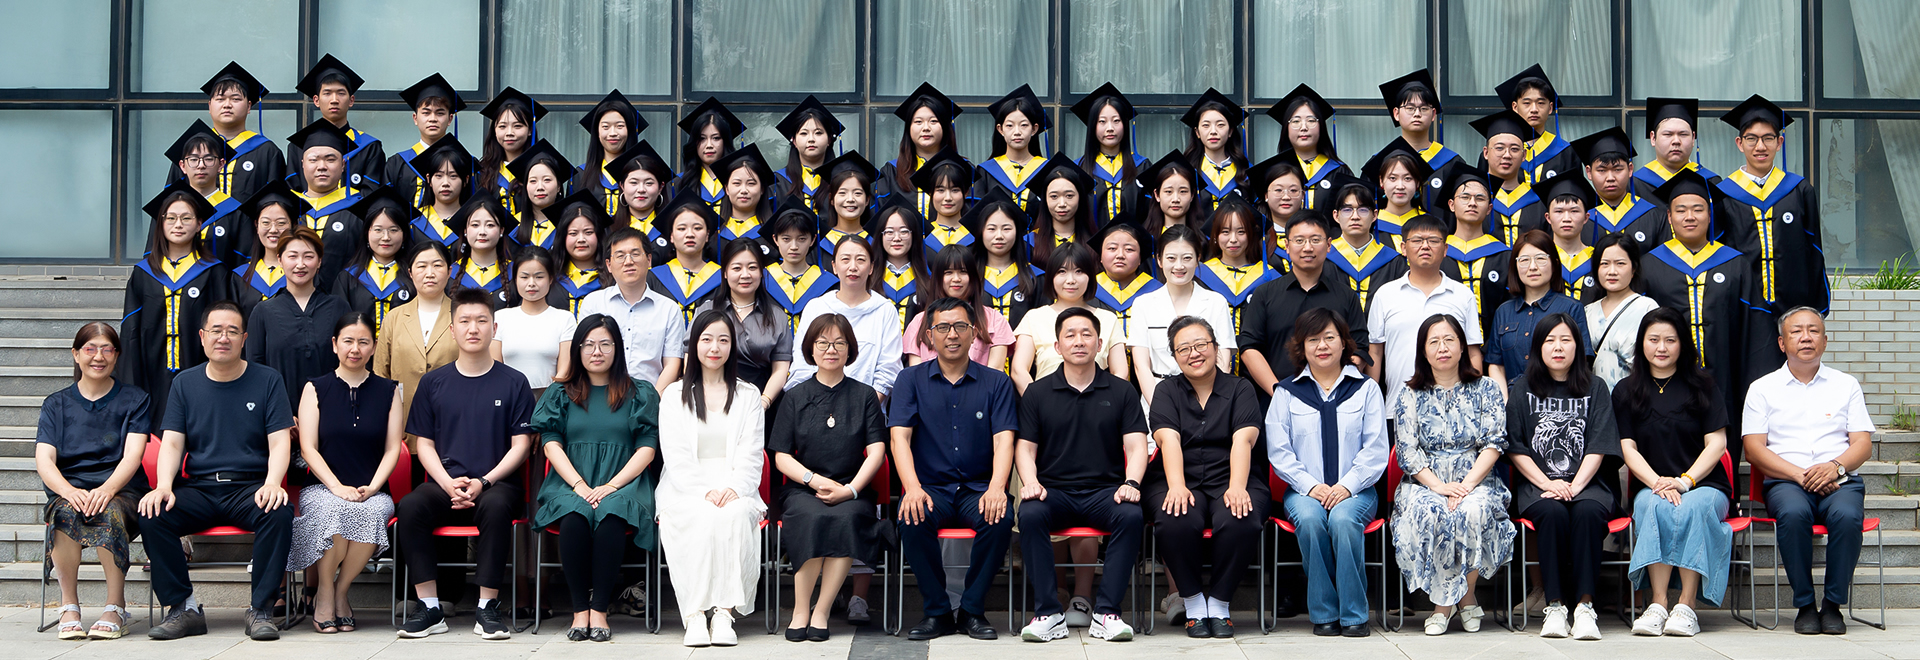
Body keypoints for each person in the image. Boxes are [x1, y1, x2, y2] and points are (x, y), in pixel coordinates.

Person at [138, 301, 295, 641]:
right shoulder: (185, 383)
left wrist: (272, 482)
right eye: (216, 331)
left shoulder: (267, 380)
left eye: (232, 331)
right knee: (153, 514)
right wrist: (163, 485)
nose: (224, 338)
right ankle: (184, 608)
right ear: (202, 336)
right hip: (200, 488)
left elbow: (280, 442)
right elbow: (172, 443)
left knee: (279, 511)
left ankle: (261, 609)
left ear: (244, 338)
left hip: (249, 488)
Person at [394, 289, 536, 641]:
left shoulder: (514, 382)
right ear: (452, 329)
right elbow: (424, 444)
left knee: (497, 506)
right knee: (411, 506)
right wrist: (446, 483)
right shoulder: (433, 383)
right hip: (446, 483)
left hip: (496, 485)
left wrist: (483, 482)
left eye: (482, 321)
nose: (473, 328)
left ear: (494, 328)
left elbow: (521, 445)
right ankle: (429, 606)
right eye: (465, 321)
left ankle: (487, 607)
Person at [1014, 307, 1148, 643]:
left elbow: (1136, 447)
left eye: (1087, 335)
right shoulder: (1037, 393)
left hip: (1105, 492)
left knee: (1131, 514)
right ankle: (1048, 613)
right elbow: (1025, 449)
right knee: (1030, 513)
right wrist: (1031, 483)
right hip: (1054, 492)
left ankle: (1107, 613)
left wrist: (1131, 483)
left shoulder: (1121, 391)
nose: (1079, 341)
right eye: (1070, 335)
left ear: (1100, 344)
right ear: (1057, 346)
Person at [890, 298, 1019, 642]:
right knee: (911, 518)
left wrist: (997, 487)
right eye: (943, 327)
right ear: (928, 336)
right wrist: (912, 488)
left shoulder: (996, 382)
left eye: (960, 326)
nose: (952, 335)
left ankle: (972, 610)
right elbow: (899, 438)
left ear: (974, 333)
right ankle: (937, 612)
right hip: (931, 488)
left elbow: (1004, 440)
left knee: (1000, 518)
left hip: (978, 488)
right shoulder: (909, 379)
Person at [1743, 307, 1874, 635]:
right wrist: (1801, 475)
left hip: (1839, 480)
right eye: (1796, 331)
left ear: (1825, 341)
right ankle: (1804, 605)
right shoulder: (1762, 388)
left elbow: (1862, 443)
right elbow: (1754, 449)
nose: (1806, 338)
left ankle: (1832, 606)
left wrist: (1834, 467)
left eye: (1814, 331)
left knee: (1847, 516)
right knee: (1794, 514)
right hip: (1786, 481)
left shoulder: (1846, 385)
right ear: (1782, 343)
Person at [530, 314, 661, 643]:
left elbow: (647, 448)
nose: (596, 351)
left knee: (612, 515)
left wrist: (611, 486)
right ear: (577, 349)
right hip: (571, 480)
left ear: (618, 348)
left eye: (605, 344)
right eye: (588, 345)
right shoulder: (561, 392)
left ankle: (599, 609)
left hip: (626, 481)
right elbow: (551, 443)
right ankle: (579, 610)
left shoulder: (639, 392)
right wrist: (579, 485)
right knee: (574, 517)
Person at [1267, 309, 1389, 638]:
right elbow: (1279, 451)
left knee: (1343, 520)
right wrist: (1312, 487)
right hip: (1304, 492)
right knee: (1309, 519)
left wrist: (1346, 486)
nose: (1322, 346)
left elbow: (1376, 449)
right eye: (1313, 339)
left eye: (1329, 337)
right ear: (1301, 347)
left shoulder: (1366, 389)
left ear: (1344, 343)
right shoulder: (1286, 393)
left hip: (1357, 491)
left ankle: (1354, 614)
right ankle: (1324, 612)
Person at [1391, 313, 1514, 636]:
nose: (1442, 348)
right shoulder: (1409, 394)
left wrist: (1465, 485)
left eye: (1449, 340)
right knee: (1432, 513)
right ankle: (1462, 601)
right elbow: (1407, 452)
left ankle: (1446, 606)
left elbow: (1495, 442)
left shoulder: (1486, 388)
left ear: (1462, 347)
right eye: (1434, 342)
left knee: (1472, 510)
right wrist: (1439, 487)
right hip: (1425, 482)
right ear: (1423, 351)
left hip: (1476, 478)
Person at [770, 314, 890, 642]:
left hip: (852, 488)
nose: (831, 349)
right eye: (822, 343)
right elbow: (781, 457)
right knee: (810, 517)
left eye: (839, 343)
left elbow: (877, 452)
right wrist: (813, 480)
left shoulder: (865, 396)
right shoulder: (794, 396)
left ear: (850, 350)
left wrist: (850, 490)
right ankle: (800, 610)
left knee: (847, 517)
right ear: (810, 349)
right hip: (803, 489)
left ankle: (822, 610)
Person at [1147, 316, 1267, 638]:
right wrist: (1176, 486)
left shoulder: (1240, 388)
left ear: (1215, 347)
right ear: (1174, 356)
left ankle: (1220, 602)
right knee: (1175, 518)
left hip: (1233, 474)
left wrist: (1237, 487)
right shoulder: (1166, 391)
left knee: (1241, 517)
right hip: (1178, 475)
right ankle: (1193, 602)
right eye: (1184, 348)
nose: (1194, 353)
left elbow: (1243, 439)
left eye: (1201, 345)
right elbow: (1168, 439)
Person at [1641, 169, 1778, 444]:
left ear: (1710, 214)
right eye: (1681, 210)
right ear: (1669, 217)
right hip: (1665, 382)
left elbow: (1755, 328)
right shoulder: (1649, 265)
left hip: (1724, 381)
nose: (1689, 217)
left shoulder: (1735, 264)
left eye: (1698, 209)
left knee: (1722, 451)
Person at [1619, 307, 1733, 637]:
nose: (1662, 347)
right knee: (1651, 506)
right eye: (1653, 339)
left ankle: (1686, 606)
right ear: (1641, 343)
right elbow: (1628, 449)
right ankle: (1657, 604)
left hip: (1704, 485)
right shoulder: (1626, 391)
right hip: (1652, 484)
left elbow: (1717, 443)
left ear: (1683, 343)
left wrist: (1685, 481)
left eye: (1670, 340)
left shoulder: (1704, 386)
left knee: (1693, 507)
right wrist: (1657, 483)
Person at [656, 310, 767, 647]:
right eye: (706, 339)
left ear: (733, 346)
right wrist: (704, 490)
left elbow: (752, 452)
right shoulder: (674, 395)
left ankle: (723, 613)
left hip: (735, 485)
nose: (714, 347)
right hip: (685, 487)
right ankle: (693, 614)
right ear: (694, 345)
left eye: (723, 340)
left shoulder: (748, 395)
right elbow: (675, 455)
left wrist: (734, 488)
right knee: (700, 517)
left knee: (734, 516)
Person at [1505, 313, 1619, 641]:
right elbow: (1515, 447)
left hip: (1589, 484)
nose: (1558, 347)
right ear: (1537, 348)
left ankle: (1585, 607)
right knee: (1552, 513)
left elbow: (1599, 444)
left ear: (1578, 346)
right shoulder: (1522, 389)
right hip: (1538, 485)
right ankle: (1554, 606)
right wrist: (1547, 483)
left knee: (1587, 512)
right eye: (1550, 340)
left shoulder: (1596, 387)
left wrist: (1575, 485)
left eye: (1566, 340)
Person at [287, 313, 403, 634]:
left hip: (372, 488)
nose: (355, 349)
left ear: (373, 347)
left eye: (363, 342)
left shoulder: (389, 390)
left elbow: (393, 448)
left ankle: (341, 591)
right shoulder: (315, 388)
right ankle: (325, 591)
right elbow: (308, 448)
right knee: (334, 512)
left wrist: (373, 487)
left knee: (371, 512)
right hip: (323, 487)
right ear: (335, 344)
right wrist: (337, 487)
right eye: (348, 341)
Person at [36, 323, 149, 640]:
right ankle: (68, 606)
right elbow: (44, 459)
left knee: (107, 512)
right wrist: (69, 491)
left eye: (107, 349)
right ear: (76, 354)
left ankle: (115, 606)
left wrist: (107, 489)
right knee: (64, 513)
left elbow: (133, 455)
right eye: (90, 349)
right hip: (70, 488)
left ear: (117, 355)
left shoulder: (135, 399)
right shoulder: (55, 404)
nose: (98, 357)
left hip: (122, 490)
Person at [120, 183, 235, 431]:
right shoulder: (143, 273)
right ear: (161, 224)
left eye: (186, 218)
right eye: (170, 218)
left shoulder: (213, 271)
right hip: (152, 370)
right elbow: (131, 331)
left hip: (200, 367)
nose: (178, 224)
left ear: (199, 224)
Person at [1716, 95, 1829, 314]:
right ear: (1740, 143)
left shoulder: (1799, 190)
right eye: (1751, 138)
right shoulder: (1723, 194)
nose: (1760, 146)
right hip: (1742, 308)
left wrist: (1816, 308)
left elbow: (1814, 251)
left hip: (1794, 308)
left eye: (1768, 138)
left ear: (1779, 143)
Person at [1239, 208, 1368, 395]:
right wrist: (1279, 393)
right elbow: (1249, 347)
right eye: (1299, 240)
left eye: (1315, 240)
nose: (1308, 248)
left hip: (1335, 400)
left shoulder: (1346, 296)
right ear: (1287, 245)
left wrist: (1334, 391)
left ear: (1329, 245)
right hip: (1276, 399)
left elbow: (1359, 348)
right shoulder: (1264, 294)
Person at [1367, 214, 1485, 418]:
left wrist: (1472, 402)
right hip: (1398, 409)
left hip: (1454, 412)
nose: (1425, 246)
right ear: (1403, 248)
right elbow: (1375, 353)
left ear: (1445, 249)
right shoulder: (1385, 294)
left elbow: (1473, 353)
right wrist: (1371, 405)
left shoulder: (1462, 294)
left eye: (1433, 241)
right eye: (1417, 240)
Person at [246, 227, 351, 409]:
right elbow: (255, 372)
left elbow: (351, 362)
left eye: (308, 257)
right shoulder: (263, 312)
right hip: (280, 416)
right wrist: (281, 414)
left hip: (333, 412)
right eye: (292, 256)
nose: (300, 264)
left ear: (319, 261)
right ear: (280, 260)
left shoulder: (338, 307)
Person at [788, 233, 904, 397]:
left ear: (871, 267)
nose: (853, 267)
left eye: (860, 260)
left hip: (868, 406)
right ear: (834, 266)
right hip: (815, 404)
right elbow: (802, 364)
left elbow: (889, 370)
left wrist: (864, 407)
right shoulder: (816, 307)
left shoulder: (885, 310)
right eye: (845, 259)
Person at [1129, 226, 1235, 403]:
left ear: (1198, 259)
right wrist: (1161, 408)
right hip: (1159, 396)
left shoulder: (1216, 302)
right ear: (1159, 260)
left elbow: (1223, 362)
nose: (1179, 266)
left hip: (1207, 399)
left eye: (1187, 258)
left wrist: (1208, 405)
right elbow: (1141, 367)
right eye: (1171, 258)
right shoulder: (1143, 304)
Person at [577, 227, 688, 387]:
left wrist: (654, 397)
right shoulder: (593, 303)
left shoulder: (669, 309)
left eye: (635, 254)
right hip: (601, 393)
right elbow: (584, 353)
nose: (628, 261)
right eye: (620, 256)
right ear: (609, 265)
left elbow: (672, 363)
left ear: (649, 260)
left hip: (650, 395)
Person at [691, 238, 793, 408]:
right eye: (737, 268)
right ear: (725, 272)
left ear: (762, 271)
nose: (745, 275)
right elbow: (691, 358)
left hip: (761, 397)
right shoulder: (706, 310)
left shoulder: (777, 316)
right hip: (710, 398)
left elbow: (780, 368)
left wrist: (763, 402)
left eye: (752, 267)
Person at [1012, 242, 1126, 393]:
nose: (1071, 280)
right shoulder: (1034, 318)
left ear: (1090, 277)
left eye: (1079, 271)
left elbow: (1121, 372)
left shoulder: (1108, 319)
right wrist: (1038, 402)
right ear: (1051, 277)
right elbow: (1019, 370)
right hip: (1048, 402)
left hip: (1098, 402)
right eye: (1062, 271)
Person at [1484, 230, 1591, 392]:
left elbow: (1582, 361)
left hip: (1556, 400)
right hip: (1512, 401)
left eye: (1540, 259)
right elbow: (1496, 365)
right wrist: (1505, 401)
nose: (1532, 267)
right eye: (1524, 260)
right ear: (1515, 266)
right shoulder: (1503, 312)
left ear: (1555, 264)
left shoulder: (1571, 308)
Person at [372, 241, 458, 423]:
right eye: (422, 266)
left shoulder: (461, 316)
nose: (430, 273)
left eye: (437, 265)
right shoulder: (394, 317)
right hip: (402, 418)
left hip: (452, 417)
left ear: (449, 271)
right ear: (410, 273)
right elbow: (380, 374)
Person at [180, 62, 284, 203]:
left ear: (249, 106)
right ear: (209, 106)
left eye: (235, 99)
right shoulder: (189, 149)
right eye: (220, 99)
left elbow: (277, 203)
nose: (227, 105)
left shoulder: (267, 151)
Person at [286, 120, 369, 293]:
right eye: (313, 160)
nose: (322, 167)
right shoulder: (288, 207)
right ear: (302, 164)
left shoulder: (360, 207)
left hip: (345, 300)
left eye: (330, 160)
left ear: (343, 165)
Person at [1196, 197, 1283, 355]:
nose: (1233, 239)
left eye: (1241, 232)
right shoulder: (1200, 275)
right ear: (1215, 235)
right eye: (1225, 232)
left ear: (1251, 235)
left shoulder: (1270, 278)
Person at [905, 246, 1015, 369]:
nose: (956, 279)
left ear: (972, 277)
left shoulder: (994, 319)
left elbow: (995, 372)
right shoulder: (919, 322)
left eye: (963, 272)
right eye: (948, 272)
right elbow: (916, 373)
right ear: (938, 278)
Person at [1436, 162, 1513, 331]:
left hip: (1496, 343)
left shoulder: (1504, 256)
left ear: (1489, 208)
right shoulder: (1437, 252)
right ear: (1451, 205)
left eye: (1480, 198)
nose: (1472, 203)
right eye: (1465, 197)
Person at [289, 55, 383, 191]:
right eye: (327, 93)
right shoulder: (298, 146)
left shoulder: (369, 147)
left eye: (341, 93)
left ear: (351, 100)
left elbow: (371, 193)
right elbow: (292, 192)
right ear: (316, 100)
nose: (334, 100)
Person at [491, 247, 577, 391]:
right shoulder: (500, 317)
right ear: (515, 279)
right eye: (524, 277)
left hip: (550, 396)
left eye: (539, 277)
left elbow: (565, 370)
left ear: (550, 279)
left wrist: (549, 397)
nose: (531, 283)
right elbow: (496, 367)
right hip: (509, 394)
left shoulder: (564, 319)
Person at [336, 185, 414, 336]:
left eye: (393, 230)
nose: (386, 237)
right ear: (367, 233)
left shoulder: (414, 276)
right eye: (378, 230)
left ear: (404, 234)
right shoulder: (348, 278)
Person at [166, 120, 245, 268]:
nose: (201, 165)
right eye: (193, 159)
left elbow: (243, 265)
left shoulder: (236, 212)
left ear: (221, 165)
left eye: (208, 159)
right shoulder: (167, 210)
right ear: (182, 166)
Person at [1325, 173, 1408, 313]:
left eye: (1363, 210)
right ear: (1336, 216)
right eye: (1347, 210)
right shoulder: (1324, 258)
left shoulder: (1394, 262)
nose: (1355, 217)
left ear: (1375, 215)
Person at [1377, 69, 1461, 207]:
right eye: (1410, 108)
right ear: (1396, 114)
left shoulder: (1451, 163)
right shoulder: (1380, 162)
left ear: (1433, 114)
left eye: (1424, 109)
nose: (1417, 114)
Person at [1573, 127, 1668, 247]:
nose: (1610, 178)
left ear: (1630, 169)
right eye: (1602, 170)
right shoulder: (1577, 217)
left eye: (1618, 169)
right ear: (1589, 172)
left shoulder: (1654, 216)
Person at [877, 83, 961, 219]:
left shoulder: (963, 170)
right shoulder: (891, 172)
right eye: (918, 122)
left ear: (945, 127)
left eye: (933, 121)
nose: (926, 128)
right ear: (908, 128)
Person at [1585, 233, 1658, 387]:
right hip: (1596, 399)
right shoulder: (1588, 311)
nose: (1612, 271)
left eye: (1620, 263)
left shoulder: (1647, 308)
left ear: (1633, 268)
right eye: (1604, 264)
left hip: (1635, 395)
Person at [384, 74, 465, 212]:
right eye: (426, 113)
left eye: (440, 113)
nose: (432, 119)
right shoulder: (397, 164)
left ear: (450, 119)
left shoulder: (464, 162)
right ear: (415, 118)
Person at [232, 182, 311, 320]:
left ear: (293, 225)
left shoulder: (305, 273)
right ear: (256, 225)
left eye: (281, 223)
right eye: (266, 223)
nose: (273, 230)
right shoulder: (241, 277)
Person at [1073, 83, 1147, 228]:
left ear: (1125, 124)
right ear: (1092, 126)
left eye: (1116, 121)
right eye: (1102, 122)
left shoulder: (1142, 167)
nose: (1110, 128)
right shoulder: (1078, 169)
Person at [1269, 84, 1350, 213]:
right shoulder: (1272, 172)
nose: (1303, 127)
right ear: (1286, 128)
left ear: (1321, 126)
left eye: (1311, 121)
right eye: (1296, 121)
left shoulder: (1339, 172)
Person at [1471, 110, 1545, 246]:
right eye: (1499, 148)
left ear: (1524, 155)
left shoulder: (1539, 202)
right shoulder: (1472, 200)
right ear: (1486, 153)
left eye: (1514, 149)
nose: (1507, 155)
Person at [1496, 65, 1579, 185]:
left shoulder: (1566, 152)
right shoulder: (1496, 152)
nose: (1534, 109)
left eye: (1540, 103)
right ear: (1515, 107)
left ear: (1550, 108)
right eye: (1527, 103)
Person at [763, 199, 838, 330]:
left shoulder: (827, 283)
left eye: (801, 239)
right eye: (786, 239)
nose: (794, 246)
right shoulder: (763, 279)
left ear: (813, 240)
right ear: (775, 239)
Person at [974, 84, 1049, 216]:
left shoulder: (1046, 169)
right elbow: (979, 216)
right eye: (1009, 125)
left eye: (1024, 125)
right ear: (1000, 129)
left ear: (1034, 129)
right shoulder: (986, 171)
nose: (1017, 132)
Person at [969, 192, 1037, 331]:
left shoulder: (1036, 278)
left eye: (1006, 229)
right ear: (981, 232)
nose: (999, 236)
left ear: (1017, 232)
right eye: (991, 229)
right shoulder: (968, 277)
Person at [650, 195, 724, 321]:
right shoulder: (653, 278)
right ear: (671, 236)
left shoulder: (722, 278)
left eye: (697, 228)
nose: (690, 234)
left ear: (707, 235)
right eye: (681, 228)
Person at [476, 87, 546, 219]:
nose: (509, 133)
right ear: (495, 130)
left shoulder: (542, 169)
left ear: (530, 130)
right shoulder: (482, 172)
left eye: (517, 126)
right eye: (502, 126)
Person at [1632, 97, 1720, 199]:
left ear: (1693, 138)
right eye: (1668, 134)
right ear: (1653, 138)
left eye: (1683, 134)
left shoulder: (1710, 182)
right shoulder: (1634, 185)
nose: (1676, 141)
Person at [576, 90, 648, 216]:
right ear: (597, 132)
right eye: (605, 127)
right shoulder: (581, 175)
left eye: (620, 126)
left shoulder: (646, 174)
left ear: (629, 130)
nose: (613, 133)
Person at [1093, 222, 1163, 346]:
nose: (1120, 255)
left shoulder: (1157, 292)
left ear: (1140, 258)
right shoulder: (1088, 291)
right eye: (1112, 248)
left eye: (1129, 249)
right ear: (1101, 256)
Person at [1359, 137, 1436, 250]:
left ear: (1417, 183)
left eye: (1408, 178)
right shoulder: (1369, 225)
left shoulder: (1432, 226)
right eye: (1393, 178)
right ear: (1381, 181)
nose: (1400, 186)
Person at [672, 97, 743, 216]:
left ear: (725, 142)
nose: (709, 145)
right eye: (702, 138)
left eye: (716, 138)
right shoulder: (679, 183)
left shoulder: (740, 182)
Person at [1537, 171, 1601, 301]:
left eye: (1574, 211)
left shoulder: (1598, 259)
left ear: (1586, 217)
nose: (1567, 218)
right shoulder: (1538, 259)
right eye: (1559, 211)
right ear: (1548, 218)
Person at [1027, 154, 1098, 270]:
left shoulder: (1096, 244)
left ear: (1080, 198)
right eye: (1054, 196)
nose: (1062, 204)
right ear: (1045, 200)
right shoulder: (1029, 244)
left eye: (1069, 196)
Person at [1183, 88, 1248, 214]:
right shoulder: (1187, 171)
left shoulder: (1245, 172)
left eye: (1220, 125)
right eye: (1206, 125)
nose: (1213, 131)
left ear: (1230, 131)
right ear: (1197, 132)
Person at [775, 95, 843, 211]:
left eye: (818, 133)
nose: (811, 139)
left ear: (829, 140)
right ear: (794, 141)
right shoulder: (778, 182)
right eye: (804, 133)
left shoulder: (841, 181)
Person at [406, 136, 476, 249]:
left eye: (453, 176)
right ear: (428, 179)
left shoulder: (474, 221)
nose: (445, 183)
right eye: (439, 176)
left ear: (466, 180)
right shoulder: (415, 223)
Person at [504, 140, 573, 253]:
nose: (540, 187)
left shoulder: (570, 226)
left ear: (559, 186)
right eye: (533, 181)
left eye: (547, 180)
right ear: (526, 187)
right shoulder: (513, 226)